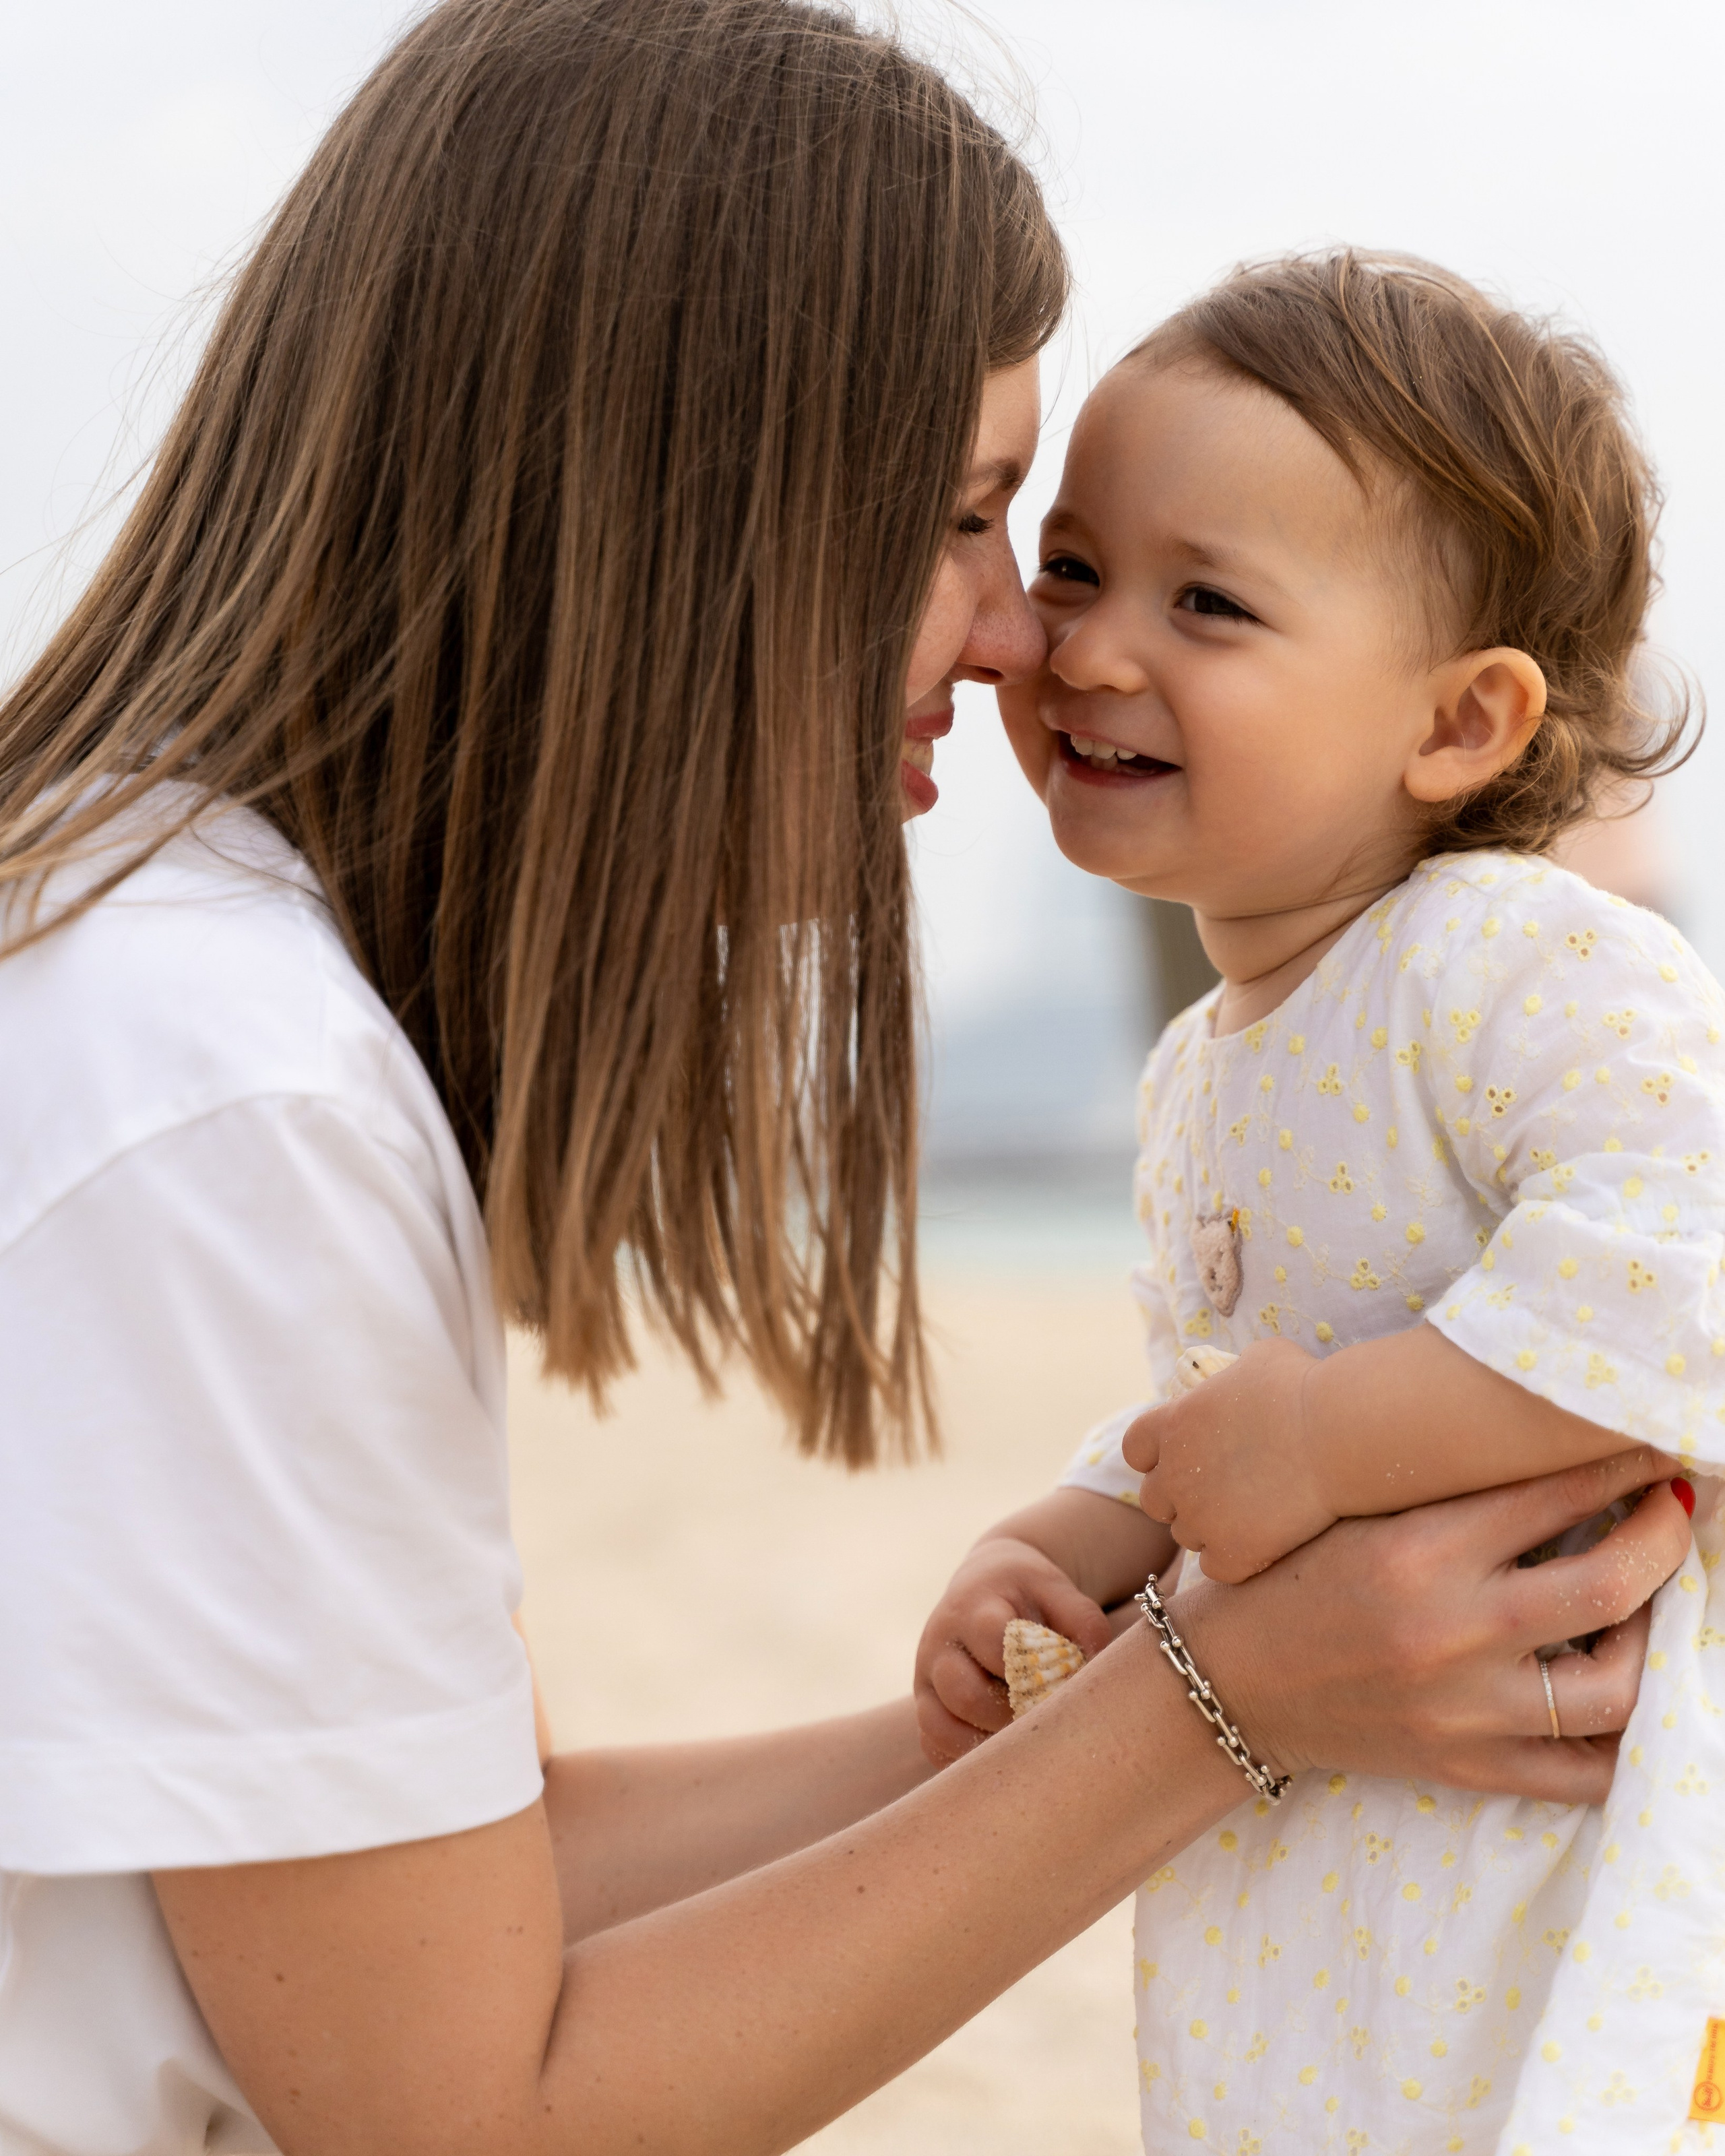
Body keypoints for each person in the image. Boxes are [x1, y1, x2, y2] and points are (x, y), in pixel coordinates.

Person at [0, 10, 1691, 2150]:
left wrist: (1066, 1694)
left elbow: (429, 1900)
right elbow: (453, 2115)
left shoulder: (170, 981)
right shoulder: (233, 1107)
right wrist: (1218, 1707)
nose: (1026, 643)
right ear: (678, 513)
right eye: (979, 524)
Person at [916, 250, 1722, 2154]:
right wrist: (1072, 1536)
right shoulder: (1210, 1060)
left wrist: (1331, 1439)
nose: (1093, 651)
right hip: (1360, 1850)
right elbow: (1229, 1395)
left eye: (1211, 601)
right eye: (1078, 570)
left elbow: (1693, 1255)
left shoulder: (1514, 954)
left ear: (1459, 724)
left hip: (1584, 1843)